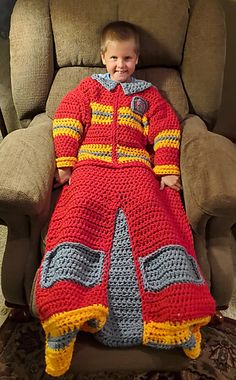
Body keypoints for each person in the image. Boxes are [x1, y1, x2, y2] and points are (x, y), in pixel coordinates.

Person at [35, 21, 216, 377]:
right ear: (103, 58)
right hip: (91, 168)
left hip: (137, 168)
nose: (122, 65)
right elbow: (67, 120)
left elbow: (166, 129)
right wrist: (66, 164)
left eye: (129, 58)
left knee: (157, 220)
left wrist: (166, 168)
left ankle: (180, 320)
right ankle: (64, 320)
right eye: (115, 57)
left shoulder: (148, 95)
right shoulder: (87, 90)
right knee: (76, 221)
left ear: (137, 59)